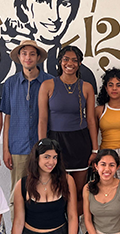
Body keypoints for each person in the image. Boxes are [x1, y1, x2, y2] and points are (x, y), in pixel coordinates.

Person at [8, 138, 77, 234]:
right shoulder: (23, 184)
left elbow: (72, 217)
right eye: (46, 156)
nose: (51, 162)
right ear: (36, 157)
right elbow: (18, 222)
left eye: (54, 157)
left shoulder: (67, 180)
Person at [38, 45, 97, 215]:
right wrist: (43, 148)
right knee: (57, 192)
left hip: (80, 143)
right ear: (60, 62)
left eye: (74, 60)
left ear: (79, 64)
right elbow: (42, 119)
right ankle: (60, 231)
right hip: (55, 143)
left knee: (78, 193)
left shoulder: (86, 87)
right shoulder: (47, 85)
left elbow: (91, 120)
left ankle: (77, 233)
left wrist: (94, 149)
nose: (70, 63)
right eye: (66, 59)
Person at [0, 40, 54, 190]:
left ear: (37, 57)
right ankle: (16, 215)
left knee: (44, 189)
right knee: (18, 190)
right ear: (19, 57)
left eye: (32, 54)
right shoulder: (10, 83)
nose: (28, 57)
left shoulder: (50, 81)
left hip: (44, 147)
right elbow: (8, 118)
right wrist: (6, 149)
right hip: (18, 147)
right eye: (24, 54)